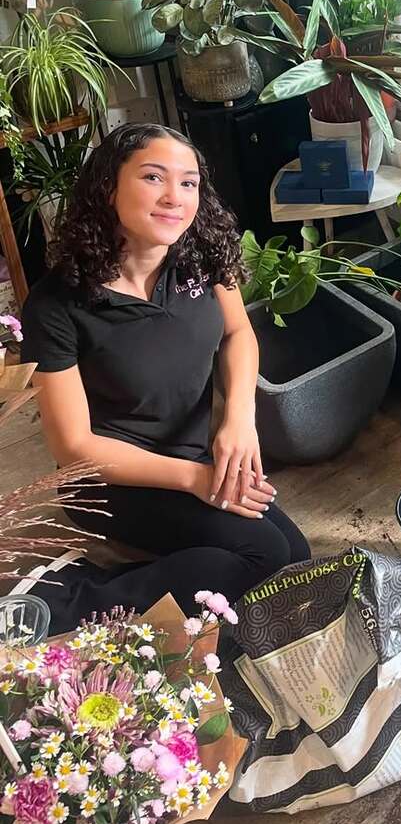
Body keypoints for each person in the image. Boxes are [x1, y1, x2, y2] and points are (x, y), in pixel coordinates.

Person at [19, 123, 310, 632]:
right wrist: (195, 481)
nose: (175, 197)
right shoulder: (56, 306)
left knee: (293, 554)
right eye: (154, 178)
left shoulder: (200, 253)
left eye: (189, 182)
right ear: (108, 186)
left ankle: (148, 575)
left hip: (194, 453)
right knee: (263, 556)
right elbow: (74, 449)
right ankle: (72, 598)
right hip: (113, 481)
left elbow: (238, 334)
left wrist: (239, 421)